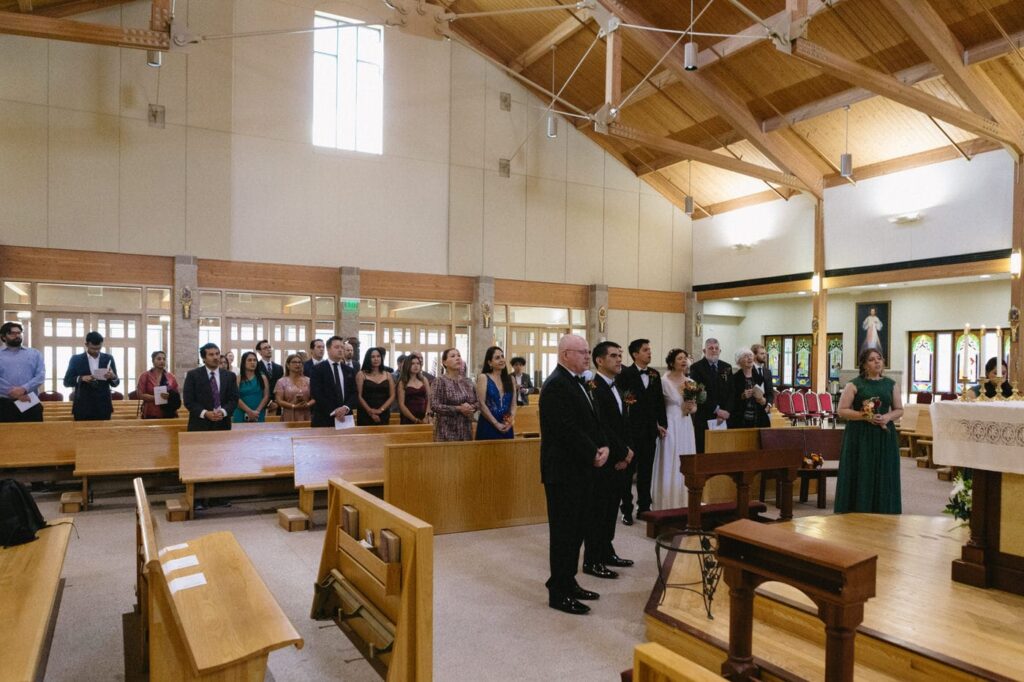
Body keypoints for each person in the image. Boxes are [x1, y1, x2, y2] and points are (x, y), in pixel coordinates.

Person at [540, 334, 609, 615]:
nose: (586, 356)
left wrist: (602, 445)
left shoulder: (578, 382)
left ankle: (569, 581)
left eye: (588, 352)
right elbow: (564, 429)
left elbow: (592, 420)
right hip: (564, 471)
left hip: (580, 469)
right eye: (582, 352)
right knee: (564, 533)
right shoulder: (556, 384)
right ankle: (558, 591)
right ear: (566, 354)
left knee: (578, 529)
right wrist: (593, 451)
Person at [583, 341, 634, 579]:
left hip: (621, 454)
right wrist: (621, 452)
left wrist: (628, 450)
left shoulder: (618, 385)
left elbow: (623, 423)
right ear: (600, 361)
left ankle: (607, 549)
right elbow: (601, 426)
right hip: (607, 457)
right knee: (599, 510)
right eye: (613, 356)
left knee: (612, 506)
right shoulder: (593, 387)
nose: (618, 359)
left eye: (620, 355)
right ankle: (593, 559)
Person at [834, 348, 903, 514]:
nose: (877, 362)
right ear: (864, 365)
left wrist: (887, 417)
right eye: (872, 359)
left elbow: (899, 410)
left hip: (884, 435)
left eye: (879, 358)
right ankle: (857, 508)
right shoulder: (854, 385)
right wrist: (864, 416)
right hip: (860, 435)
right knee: (862, 469)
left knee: (884, 470)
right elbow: (842, 410)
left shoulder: (891, 384)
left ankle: (885, 509)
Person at [616, 338, 667, 525]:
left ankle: (644, 507)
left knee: (646, 471)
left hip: (649, 431)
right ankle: (626, 509)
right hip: (630, 431)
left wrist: (662, 423)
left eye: (650, 349)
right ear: (635, 354)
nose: (649, 353)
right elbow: (621, 404)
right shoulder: (624, 374)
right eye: (645, 350)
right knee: (628, 473)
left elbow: (659, 402)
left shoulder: (654, 374)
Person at [653, 349, 697, 510]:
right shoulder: (663, 381)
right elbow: (657, 405)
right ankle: (666, 500)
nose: (684, 361)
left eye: (685, 358)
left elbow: (694, 408)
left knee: (686, 457)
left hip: (685, 424)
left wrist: (691, 407)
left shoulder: (690, 382)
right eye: (680, 358)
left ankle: (685, 498)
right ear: (672, 362)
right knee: (670, 457)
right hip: (670, 422)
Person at [688, 338, 733, 453]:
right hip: (705, 416)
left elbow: (731, 392)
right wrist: (717, 410)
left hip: (725, 417)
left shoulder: (726, 367)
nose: (714, 351)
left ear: (720, 350)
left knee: (722, 451)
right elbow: (698, 393)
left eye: (716, 348)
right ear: (704, 350)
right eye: (710, 348)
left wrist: (726, 411)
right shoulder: (696, 368)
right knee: (704, 450)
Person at [63, 331, 119, 421]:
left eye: (99, 348)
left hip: (103, 406)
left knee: (104, 434)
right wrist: (81, 378)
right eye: (93, 348)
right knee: (82, 434)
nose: (96, 351)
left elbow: (116, 383)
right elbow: (66, 381)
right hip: (83, 406)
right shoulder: (76, 359)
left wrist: (113, 377)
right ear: (86, 344)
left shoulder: (108, 358)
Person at [182, 343, 239, 432]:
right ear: (204, 358)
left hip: (223, 424)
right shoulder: (193, 375)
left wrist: (223, 412)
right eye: (211, 355)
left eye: (217, 354)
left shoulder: (229, 376)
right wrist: (205, 413)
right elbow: (189, 401)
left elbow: (234, 399)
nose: (215, 357)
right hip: (199, 425)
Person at [0, 321, 45, 423]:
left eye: (19, 333)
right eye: (12, 333)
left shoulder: (35, 353)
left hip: (29, 400)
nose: (17, 335)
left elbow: (40, 375)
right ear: (3, 337)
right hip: (4, 403)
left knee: (35, 436)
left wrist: (24, 388)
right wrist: (13, 392)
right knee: (5, 437)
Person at [430, 348, 478, 442]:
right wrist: (458, 408)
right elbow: (434, 405)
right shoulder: (440, 381)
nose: (457, 358)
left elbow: (478, 402)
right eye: (453, 356)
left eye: (459, 355)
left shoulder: (467, 381)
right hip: (446, 430)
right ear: (445, 362)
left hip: (465, 429)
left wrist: (470, 407)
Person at [310, 336, 357, 427]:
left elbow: (354, 392)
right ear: (328, 349)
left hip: (345, 417)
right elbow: (316, 393)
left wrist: (345, 407)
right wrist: (334, 410)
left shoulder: (349, 370)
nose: (340, 350)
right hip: (324, 416)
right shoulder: (318, 369)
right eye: (336, 347)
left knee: (346, 441)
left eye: (342, 347)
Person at [475, 346, 515, 440]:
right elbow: (481, 404)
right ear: (490, 363)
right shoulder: (483, 377)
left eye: (502, 356)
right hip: (488, 424)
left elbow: (513, 404)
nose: (501, 360)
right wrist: (496, 424)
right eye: (497, 358)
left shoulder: (510, 379)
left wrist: (510, 422)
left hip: (506, 424)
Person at [728, 348, 770, 429]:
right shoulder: (734, 379)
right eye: (745, 356)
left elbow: (767, 396)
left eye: (750, 355)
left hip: (758, 420)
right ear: (739, 361)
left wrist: (763, 400)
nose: (750, 358)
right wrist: (742, 396)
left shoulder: (759, 377)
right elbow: (729, 400)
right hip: (740, 421)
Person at [356, 347, 395, 425]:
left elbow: (392, 395)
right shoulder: (361, 374)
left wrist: (381, 410)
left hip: (383, 413)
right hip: (365, 413)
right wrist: (370, 412)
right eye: (373, 357)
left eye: (378, 356)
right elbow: (359, 396)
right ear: (368, 359)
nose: (376, 359)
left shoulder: (388, 375)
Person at [137, 351, 180, 420]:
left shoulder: (171, 377)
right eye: (159, 359)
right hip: (151, 412)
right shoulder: (145, 375)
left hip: (168, 412)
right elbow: (140, 394)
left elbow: (176, 394)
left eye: (164, 359)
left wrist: (169, 396)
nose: (162, 361)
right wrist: (158, 398)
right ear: (153, 361)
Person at [276, 353, 314, 422]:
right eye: (294, 362)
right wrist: (293, 406)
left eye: (300, 362)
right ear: (288, 365)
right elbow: (279, 401)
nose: (297, 364)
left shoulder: (308, 380)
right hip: (289, 414)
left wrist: (308, 404)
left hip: (306, 414)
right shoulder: (281, 381)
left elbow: (315, 398)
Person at [233, 351, 269, 423]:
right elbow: (236, 397)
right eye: (249, 360)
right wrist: (249, 412)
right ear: (244, 363)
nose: (253, 362)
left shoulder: (262, 377)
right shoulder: (238, 378)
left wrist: (256, 412)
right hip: (241, 412)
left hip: (258, 413)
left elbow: (266, 396)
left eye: (255, 360)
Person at [397, 355, 431, 424]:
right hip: (408, 417)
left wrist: (427, 416)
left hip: (424, 416)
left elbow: (429, 398)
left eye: (418, 363)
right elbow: (401, 405)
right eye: (412, 363)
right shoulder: (402, 382)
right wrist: (415, 420)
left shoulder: (423, 380)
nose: (416, 366)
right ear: (407, 365)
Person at [255, 340, 283, 412]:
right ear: (259, 352)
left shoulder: (279, 368)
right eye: (265, 348)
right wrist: (269, 402)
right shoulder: (256, 367)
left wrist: (277, 402)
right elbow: (257, 387)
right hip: (260, 405)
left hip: (277, 405)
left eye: (269, 347)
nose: (269, 349)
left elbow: (281, 387)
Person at [751, 343, 775, 415]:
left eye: (765, 353)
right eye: (761, 354)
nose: (764, 356)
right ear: (754, 355)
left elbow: (770, 392)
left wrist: (768, 405)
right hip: (753, 410)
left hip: (766, 410)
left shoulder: (768, 372)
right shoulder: (749, 370)